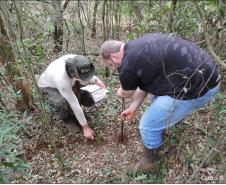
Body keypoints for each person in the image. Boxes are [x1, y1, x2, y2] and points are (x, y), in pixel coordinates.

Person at [100, 33, 221, 173]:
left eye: (111, 65)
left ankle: (149, 163)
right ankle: (161, 131)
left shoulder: (127, 64)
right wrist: (132, 108)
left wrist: (121, 91)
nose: (114, 68)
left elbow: (127, 93)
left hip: (200, 88)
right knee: (156, 101)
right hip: (209, 75)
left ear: (114, 57)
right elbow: (143, 85)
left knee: (147, 125)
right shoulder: (138, 46)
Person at [37, 54, 106, 140]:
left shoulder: (77, 60)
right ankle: (67, 119)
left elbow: (85, 72)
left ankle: (75, 116)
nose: (84, 79)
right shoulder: (61, 79)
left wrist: (96, 80)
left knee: (83, 96)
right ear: (74, 74)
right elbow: (74, 103)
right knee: (61, 102)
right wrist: (86, 127)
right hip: (48, 87)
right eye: (81, 77)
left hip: (67, 81)